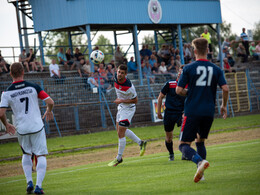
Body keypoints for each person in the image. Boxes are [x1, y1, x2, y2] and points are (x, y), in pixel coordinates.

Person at [176, 38, 229, 183]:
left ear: (194, 51)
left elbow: (179, 90)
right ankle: (201, 174)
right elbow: (225, 88)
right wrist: (223, 106)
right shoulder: (217, 69)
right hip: (208, 111)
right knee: (200, 141)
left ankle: (199, 162)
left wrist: (191, 93)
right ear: (207, 50)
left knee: (183, 145)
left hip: (192, 110)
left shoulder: (188, 68)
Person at [0, 62, 54, 194]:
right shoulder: (33, 87)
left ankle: (29, 182)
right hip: (36, 126)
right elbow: (50, 102)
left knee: (26, 153)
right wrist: (49, 110)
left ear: (11, 74)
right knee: (40, 155)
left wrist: (6, 124)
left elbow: (1, 113)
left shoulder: (7, 92)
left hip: (22, 129)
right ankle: (38, 186)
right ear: (23, 72)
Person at [108, 64, 147, 167]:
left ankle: (118, 158)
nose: (119, 74)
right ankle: (141, 143)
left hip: (129, 108)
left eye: (122, 73)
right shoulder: (115, 78)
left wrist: (122, 100)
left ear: (125, 74)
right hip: (121, 107)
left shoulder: (129, 86)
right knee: (120, 131)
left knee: (121, 132)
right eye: (118, 72)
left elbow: (136, 100)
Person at [157, 66, 185, 161]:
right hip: (169, 113)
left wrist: (185, 112)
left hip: (181, 113)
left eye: (182, 72)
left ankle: (185, 153)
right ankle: (171, 154)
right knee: (168, 137)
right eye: (179, 71)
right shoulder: (170, 84)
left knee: (185, 134)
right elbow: (160, 97)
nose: (180, 73)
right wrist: (159, 112)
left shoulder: (187, 87)